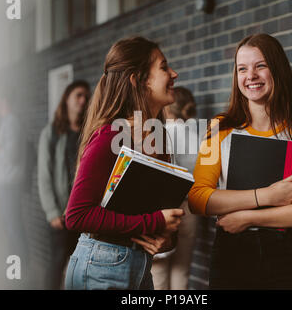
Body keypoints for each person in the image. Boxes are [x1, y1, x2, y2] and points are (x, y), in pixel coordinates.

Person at [188, 33, 292, 290]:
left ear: (277, 70)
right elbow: (198, 199)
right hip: (232, 252)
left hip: (288, 253)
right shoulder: (218, 129)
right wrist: (265, 196)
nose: (250, 76)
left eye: (261, 66)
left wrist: (248, 217)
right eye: (242, 69)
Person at [64, 36, 185, 290]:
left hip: (139, 266)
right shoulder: (110, 136)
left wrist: (166, 239)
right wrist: (154, 223)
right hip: (99, 267)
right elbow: (76, 215)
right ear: (138, 80)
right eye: (164, 67)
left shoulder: (158, 137)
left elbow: (150, 214)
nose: (174, 73)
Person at [37, 80, 90, 289]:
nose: (83, 100)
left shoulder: (89, 132)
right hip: (60, 213)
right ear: (66, 98)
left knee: (81, 267)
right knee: (57, 263)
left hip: (84, 212)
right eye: (78, 95)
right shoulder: (51, 133)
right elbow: (44, 175)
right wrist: (51, 212)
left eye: (86, 96)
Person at [151, 86, 199, 290]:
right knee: (182, 270)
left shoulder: (163, 134)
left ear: (168, 108)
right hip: (191, 209)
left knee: (158, 273)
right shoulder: (197, 135)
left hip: (167, 210)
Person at [0, 88, 29, 286]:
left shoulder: (12, 122)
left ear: (3, 99)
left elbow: (11, 156)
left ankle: (18, 275)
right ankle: (15, 273)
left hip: (10, 185)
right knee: (12, 229)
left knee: (14, 230)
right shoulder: (8, 121)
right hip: (6, 185)